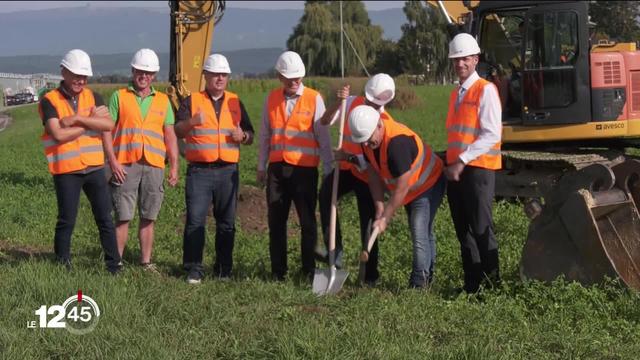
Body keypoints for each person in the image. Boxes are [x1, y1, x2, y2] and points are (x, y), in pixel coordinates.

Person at [38, 49, 121, 273]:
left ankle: (114, 265)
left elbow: (109, 125)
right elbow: (57, 134)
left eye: (83, 76)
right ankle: (62, 265)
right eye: (76, 75)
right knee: (67, 219)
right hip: (66, 170)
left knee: (105, 217)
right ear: (63, 72)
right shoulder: (49, 101)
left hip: (94, 167)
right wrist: (90, 122)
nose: (80, 80)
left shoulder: (94, 96)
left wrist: (76, 119)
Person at [175, 54, 254, 284]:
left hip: (228, 171)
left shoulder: (235, 102)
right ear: (205, 76)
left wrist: (244, 136)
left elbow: (249, 134)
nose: (220, 78)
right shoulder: (192, 101)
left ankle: (223, 270)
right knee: (195, 220)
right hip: (199, 171)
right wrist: (192, 121)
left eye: (224, 75)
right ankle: (193, 269)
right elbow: (178, 130)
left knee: (227, 223)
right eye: (215, 74)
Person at [348, 105, 446, 288]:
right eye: (364, 142)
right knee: (424, 231)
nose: (368, 144)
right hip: (412, 189)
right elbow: (374, 174)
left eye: (370, 139)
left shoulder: (397, 144)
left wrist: (386, 217)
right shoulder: (368, 142)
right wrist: (379, 206)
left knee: (419, 230)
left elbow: (401, 187)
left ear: (379, 125)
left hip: (428, 183)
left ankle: (419, 283)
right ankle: (428, 276)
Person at [257, 51, 332, 281]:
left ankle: (308, 271)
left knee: (308, 222)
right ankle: (278, 271)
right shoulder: (271, 99)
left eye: (297, 78)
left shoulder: (314, 98)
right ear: (280, 76)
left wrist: (328, 168)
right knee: (276, 222)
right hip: (277, 171)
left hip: (304, 171)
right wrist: (261, 165)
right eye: (289, 78)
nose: (294, 82)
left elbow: (323, 137)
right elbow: (265, 135)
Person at [101, 48, 179, 273]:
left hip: (154, 164)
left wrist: (174, 165)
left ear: (154, 75)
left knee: (149, 216)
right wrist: (112, 162)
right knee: (123, 216)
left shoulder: (163, 101)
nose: (143, 76)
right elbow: (107, 131)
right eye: (139, 71)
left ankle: (146, 262)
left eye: (148, 72)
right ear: (133, 71)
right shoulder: (119, 96)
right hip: (125, 164)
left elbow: (170, 135)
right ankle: (116, 263)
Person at [316, 73, 396, 285]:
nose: (370, 103)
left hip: (366, 174)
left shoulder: (384, 122)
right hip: (344, 170)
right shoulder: (351, 101)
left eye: (375, 101)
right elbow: (324, 121)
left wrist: (350, 156)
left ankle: (370, 275)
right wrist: (338, 102)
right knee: (325, 195)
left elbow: (372, 161)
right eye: (369, 98)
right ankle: (335, 252)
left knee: (368, 220)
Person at [445, 33, 502, 293]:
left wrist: (462, 160)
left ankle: (492, 286)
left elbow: (491, 134)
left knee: (481, 229)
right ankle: (472, 285)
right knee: (463, 231)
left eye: (465, 59)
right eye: (456, 59)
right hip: (458, 172)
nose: (460, 64)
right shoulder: (456, 94)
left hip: (478, 170)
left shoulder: (485, 90)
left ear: (475, 60)